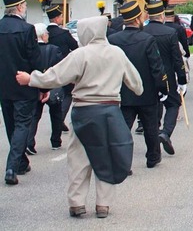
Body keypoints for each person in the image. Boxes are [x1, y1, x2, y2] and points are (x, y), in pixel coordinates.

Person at [16, 16, 143, 218]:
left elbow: (56, 75)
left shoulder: (81, 54)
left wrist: (31, 79)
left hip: (84, 111)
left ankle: (77, 203)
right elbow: (137, 85)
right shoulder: (117, 53)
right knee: (106, 156)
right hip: (110, 111)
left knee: (79, 157)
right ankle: (103, 205)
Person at [108, 1, 167, 169]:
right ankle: (152, 157)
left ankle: (123, 163)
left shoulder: (113, 39)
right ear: (137, 19)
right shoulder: (147, 39)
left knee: (124, 129)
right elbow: (156, 67)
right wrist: (162, 88)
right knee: (151, 127)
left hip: (122, 91)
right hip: (146, 92)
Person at [0, 0, 41, 185]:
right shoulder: (26, 29)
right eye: (24, 5)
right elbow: (35, 60)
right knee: (22, 125)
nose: (25, 8)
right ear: (18, 7)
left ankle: (21, 162)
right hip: (24, 85)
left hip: (4, 86)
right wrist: (42, 85)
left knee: (11, 126)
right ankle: (11, 167)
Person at [143, 1, 187, 156]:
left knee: (152, 108)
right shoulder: (170, 33)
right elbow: (177, 59)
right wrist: (182, 79)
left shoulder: (142, 31)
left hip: (147, 76)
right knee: (173, 104)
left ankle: (154, 142)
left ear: (148, 15)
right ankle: (166, 132)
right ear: (162, 15)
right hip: (166, 76)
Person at [26, 23, 64, 154]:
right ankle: (55, 141)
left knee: (35, 115)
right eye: (47, 33)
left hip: (35, 85)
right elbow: (60, 67)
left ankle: (29, 142)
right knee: (56, 114)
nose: (48, 35)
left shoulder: (30, 50)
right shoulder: (54, 49)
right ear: (43, 35)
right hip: (52, 85)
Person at [45, 4, 78, 133]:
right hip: (63, 67)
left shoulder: (45, 32)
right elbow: (75, 46)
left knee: (50, 96)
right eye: (60, 16)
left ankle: (58, 121)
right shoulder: (63, 33)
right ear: (56, 18)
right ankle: (59, 120)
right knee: (68, 93)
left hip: (47, 67)